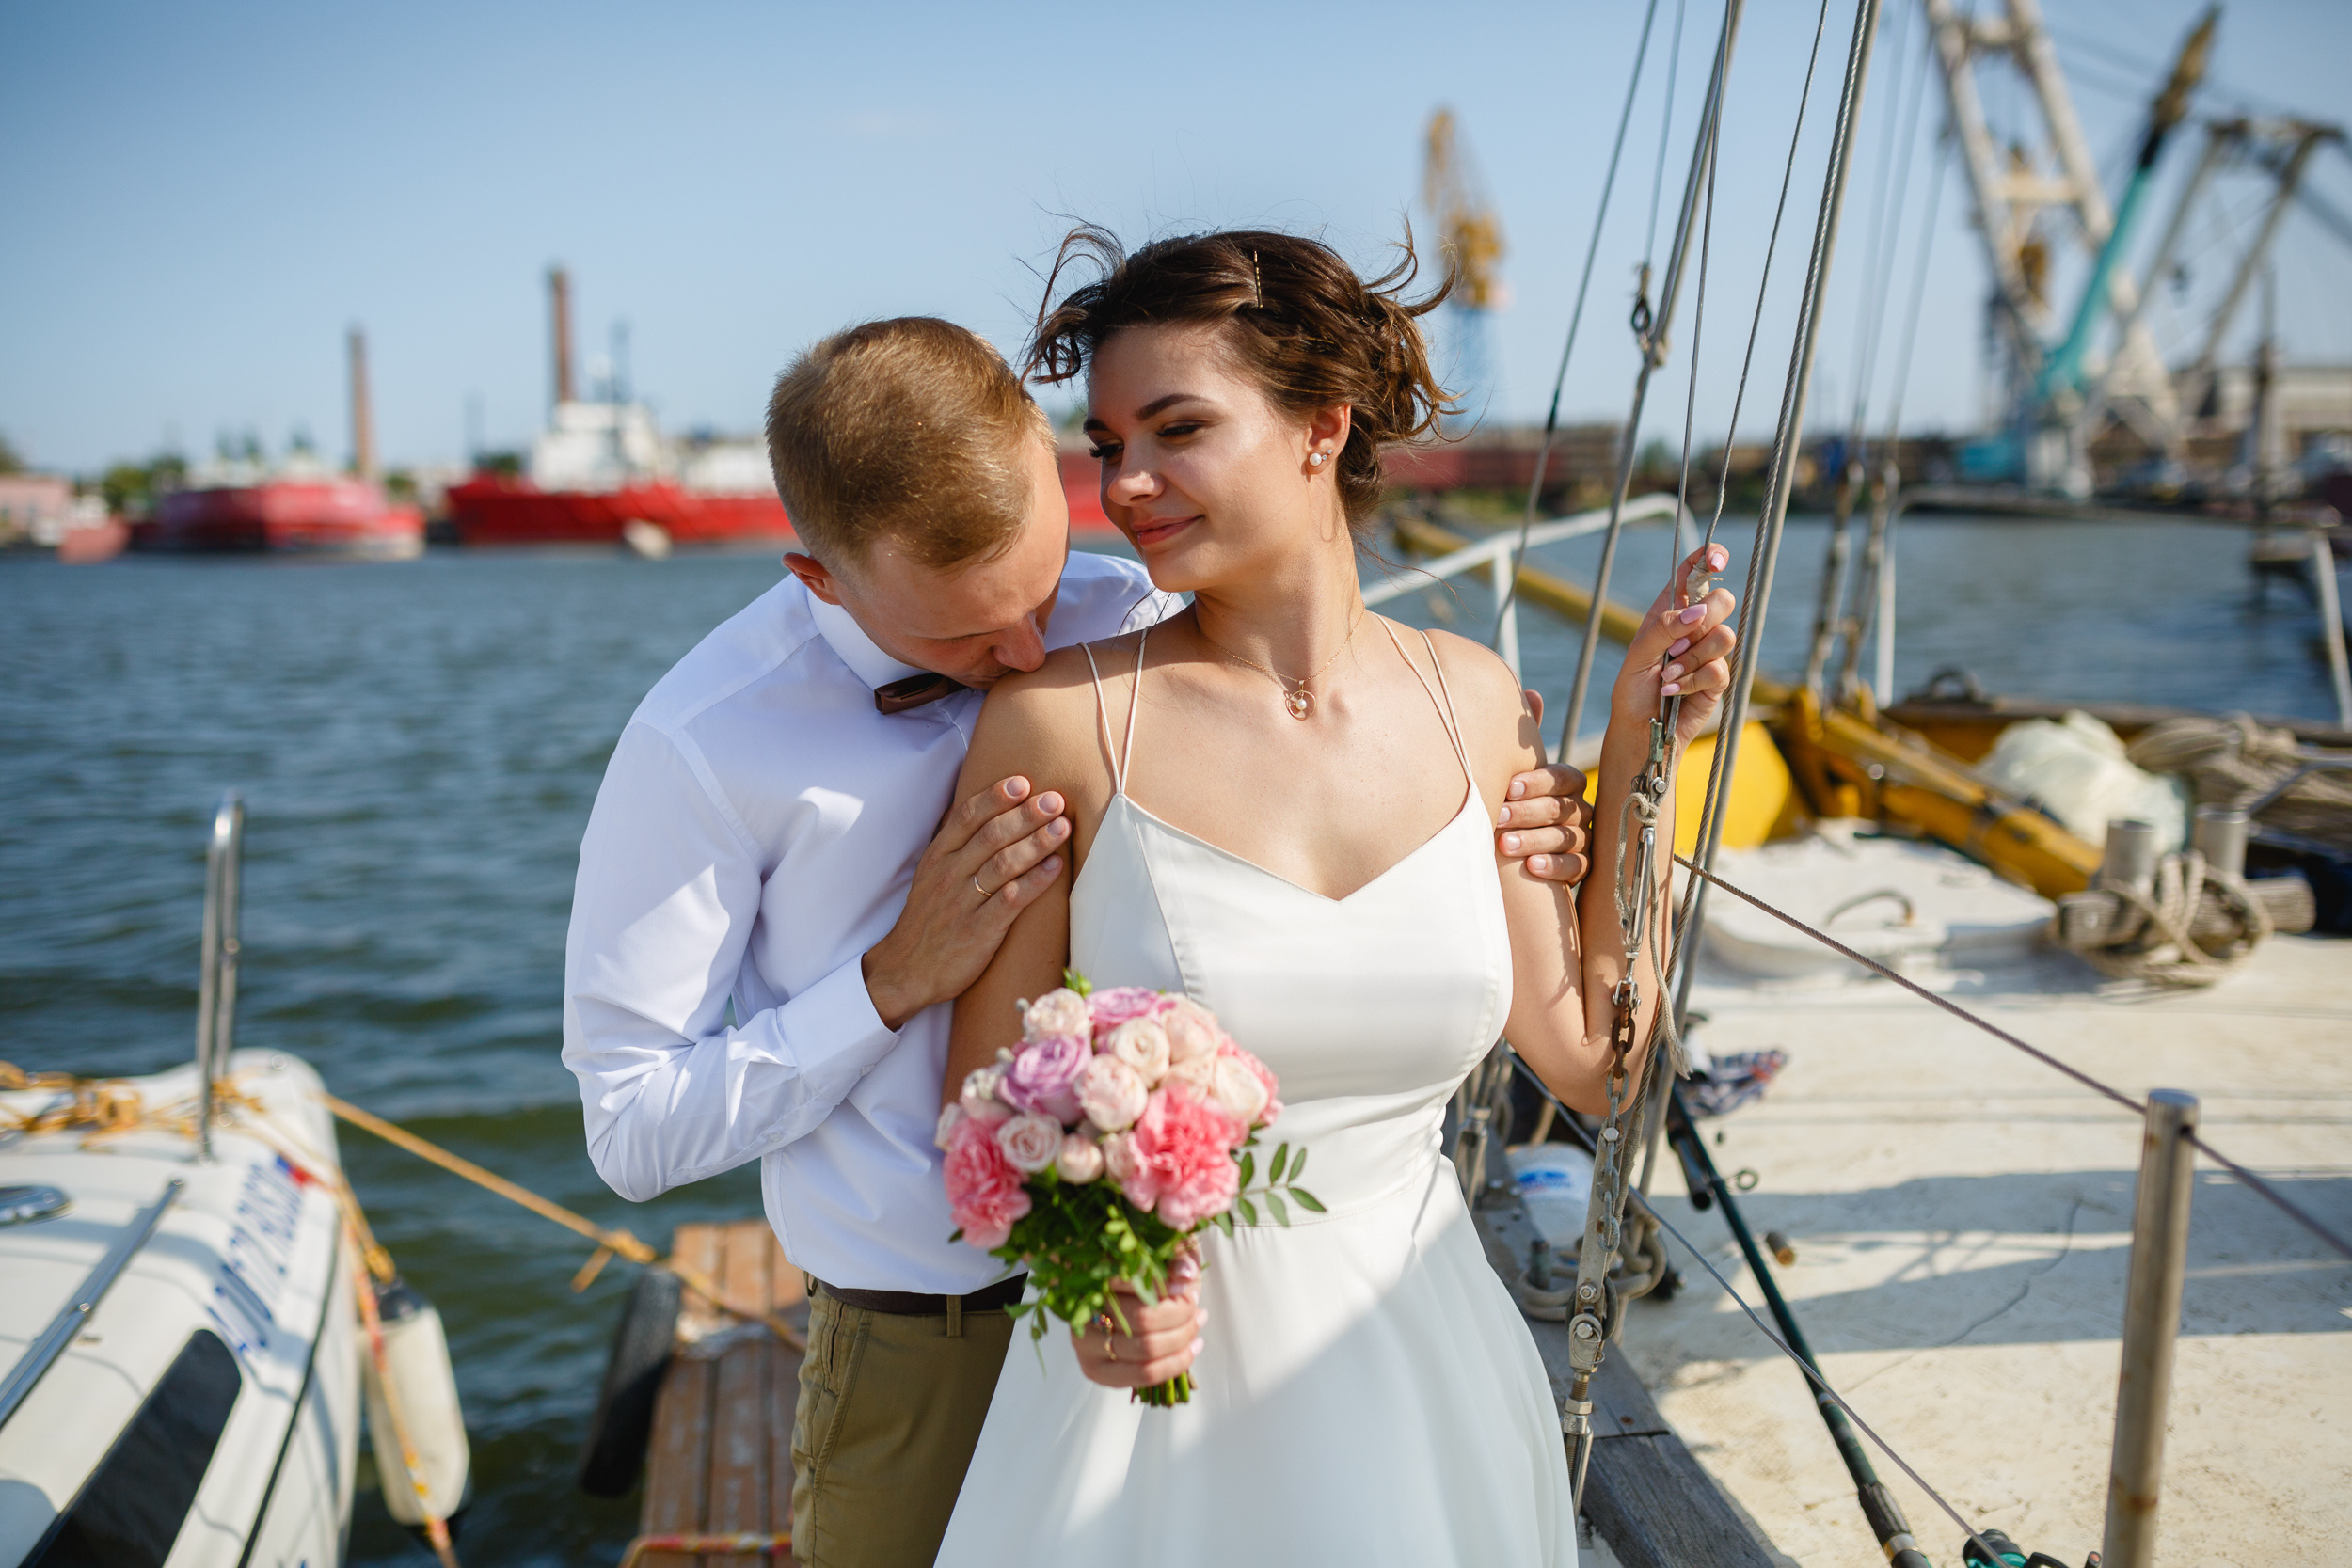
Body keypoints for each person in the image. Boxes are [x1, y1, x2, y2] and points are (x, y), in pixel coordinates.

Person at [560, 316, 1598, 1567]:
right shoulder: (701, 746)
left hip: (1208, 1307)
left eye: (1041, 592)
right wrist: (888, 987)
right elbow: (628, 1130)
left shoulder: (1124, 612)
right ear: (817, 580)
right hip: (927, 1336)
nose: (1020, 658)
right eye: (958, 639)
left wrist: (1529, 807)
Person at [932, 230, 1737, 1564]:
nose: (1126, 482)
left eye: (1176, 429)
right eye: (1108, 442)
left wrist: (1645, 752)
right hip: (1159, 1426)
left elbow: (1596, 1062)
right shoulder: (1062, 728)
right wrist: (1089, 1296)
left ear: (1322, 425)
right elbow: (980, 1118)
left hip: (1434, 1378)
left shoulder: (1471, 699)